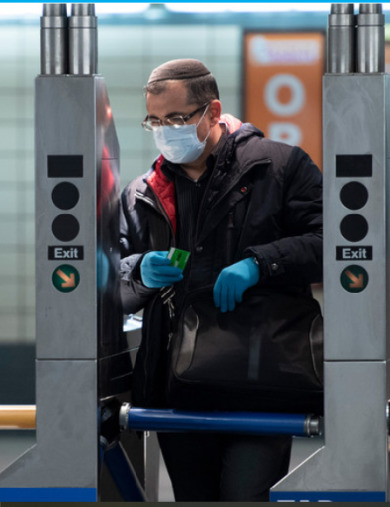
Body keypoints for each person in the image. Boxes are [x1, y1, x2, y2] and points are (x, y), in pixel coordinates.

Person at [118, 59, 323, 501]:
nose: (163, 130)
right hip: (178, 384)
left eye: (175, 119)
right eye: (154, 120)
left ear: (213, 112)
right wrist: (139, 270)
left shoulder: (279, 168)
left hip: (262, 376)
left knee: (246, 497)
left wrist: (260, 263)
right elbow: (109, 282)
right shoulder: (142, 193)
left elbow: (333, 247)